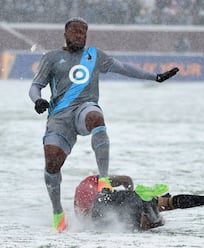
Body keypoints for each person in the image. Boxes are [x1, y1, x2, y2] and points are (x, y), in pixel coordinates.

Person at [28, 17, 179, 232]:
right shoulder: (52, 58)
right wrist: (38, 100)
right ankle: (57, 213)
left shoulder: (94, 56)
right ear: (65, 34)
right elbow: (35, 87)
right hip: (59, 117)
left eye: (83, 32)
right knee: (52, 164)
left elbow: (124, 68)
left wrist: (155, 77)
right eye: (75, 32)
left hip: (84, 108)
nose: (79, 35)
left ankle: (104, 181)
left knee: (95, 117)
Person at [74, 175, 204, 231]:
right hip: (122, 200)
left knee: (148, 222)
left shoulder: (87, 189)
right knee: (166, 204)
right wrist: (130, 190)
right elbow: (125, 179)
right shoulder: (99, 181)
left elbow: (82, 217)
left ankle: (148, 206)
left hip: (104, 209)